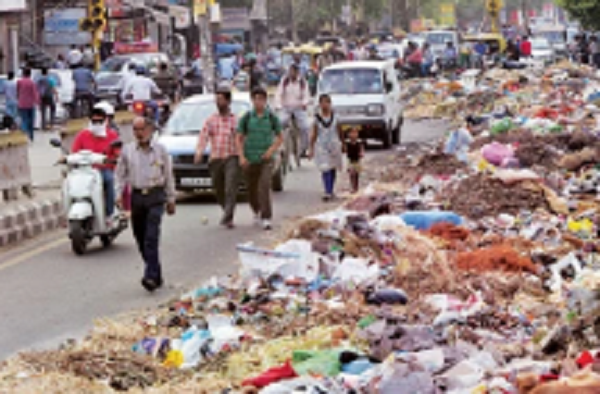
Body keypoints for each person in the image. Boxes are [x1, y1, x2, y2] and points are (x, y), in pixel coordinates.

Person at [115, 116, 176, 292]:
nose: (139, 133)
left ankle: (149, 275)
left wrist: (171, 199)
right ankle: (156, 273)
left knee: (151, 237)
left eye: (142, 129)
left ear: (150, 130)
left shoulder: (160, 150)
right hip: (137, 197)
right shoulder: (127, 151)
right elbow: (120, 175)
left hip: (155, 196)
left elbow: (169, 175)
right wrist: (118, 194)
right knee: (140, 237)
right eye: (136, 130)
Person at [237, 87, 284, 230]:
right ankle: (256, 210)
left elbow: (280, 137)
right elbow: (239, 138)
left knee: (264, 186)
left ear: (265, 101)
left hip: (266, 159)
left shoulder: (271, 117)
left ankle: (266, 217)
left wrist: (271, 151)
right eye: (256, 99)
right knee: (251, 189)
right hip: (250, 158)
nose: (259, 102)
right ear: (252, 100)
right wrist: (241, 156)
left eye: (261, 99)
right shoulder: (246, 118)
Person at [194, 88, 239, 228]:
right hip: (216, 158)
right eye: (216, 99)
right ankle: (226, 210)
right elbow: (204, 137)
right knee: (218, 189)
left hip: (231, 157)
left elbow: (241, 138)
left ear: (228, 101)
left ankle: (228, 217)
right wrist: (199, 152)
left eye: (221, 99)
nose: (218, 102)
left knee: (230, 187)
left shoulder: (235, 120)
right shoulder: (211, 120)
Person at [71, 107, 120, 218]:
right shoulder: (82, 135)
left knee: (108, 180)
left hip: (104, 169)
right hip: (85, 171)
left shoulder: (112, 135)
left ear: (105, 121)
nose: (97, 124)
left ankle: (109, 213)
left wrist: (114, 158)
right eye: (94, 121)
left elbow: (117, 152)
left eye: (100, 121)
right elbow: (74, 152)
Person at [308, 94, 343, 201]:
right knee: (325, 168)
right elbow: (314, 134)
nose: (324, 105)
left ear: (330, 103)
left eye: (326, 102)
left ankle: (331, 190)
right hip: (321, 146)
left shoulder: (336, 117)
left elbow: (340, 131)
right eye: (322, 102)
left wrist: (344, 144)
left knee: (333, 168)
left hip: (334, 145)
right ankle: (327, 191)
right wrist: (311, 148)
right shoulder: (316, 119)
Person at [276, 64, 311, 156]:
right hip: (286, 108)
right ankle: (279, 146)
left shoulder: (302, 82)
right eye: (290, 71)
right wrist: (278, 105)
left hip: (299, 108)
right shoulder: (284, 81)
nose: (292, 74)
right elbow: (278, 94)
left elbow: (307, 95)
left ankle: (304, 149)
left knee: (305, 127)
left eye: (294, 72)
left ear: (297, 72)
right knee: (278, 123)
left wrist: (304, 103)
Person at [16, 67, 38, 141]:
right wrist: (37, 101)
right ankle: (31, 136)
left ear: (23, 74)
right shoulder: (32, 82)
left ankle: (23, 135)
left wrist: (18, 99)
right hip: (30, 104)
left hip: (22, 103)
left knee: (24, 119)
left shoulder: (19, 82)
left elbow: (18, 92)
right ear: (30, 74)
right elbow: (34, 93)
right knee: (31, 121)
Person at [345, 126, 365, 194]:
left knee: (356, 174)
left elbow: (361, 149)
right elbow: (344, 149)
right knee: (351, 173)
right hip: (350, 161)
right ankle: (352, 187)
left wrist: (361, 153)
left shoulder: (359, 142)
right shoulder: (347, 142)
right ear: (348, 134)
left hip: (357, 161)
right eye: (351, 133)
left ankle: (356, 187)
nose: (353, 135)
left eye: (355, 133)